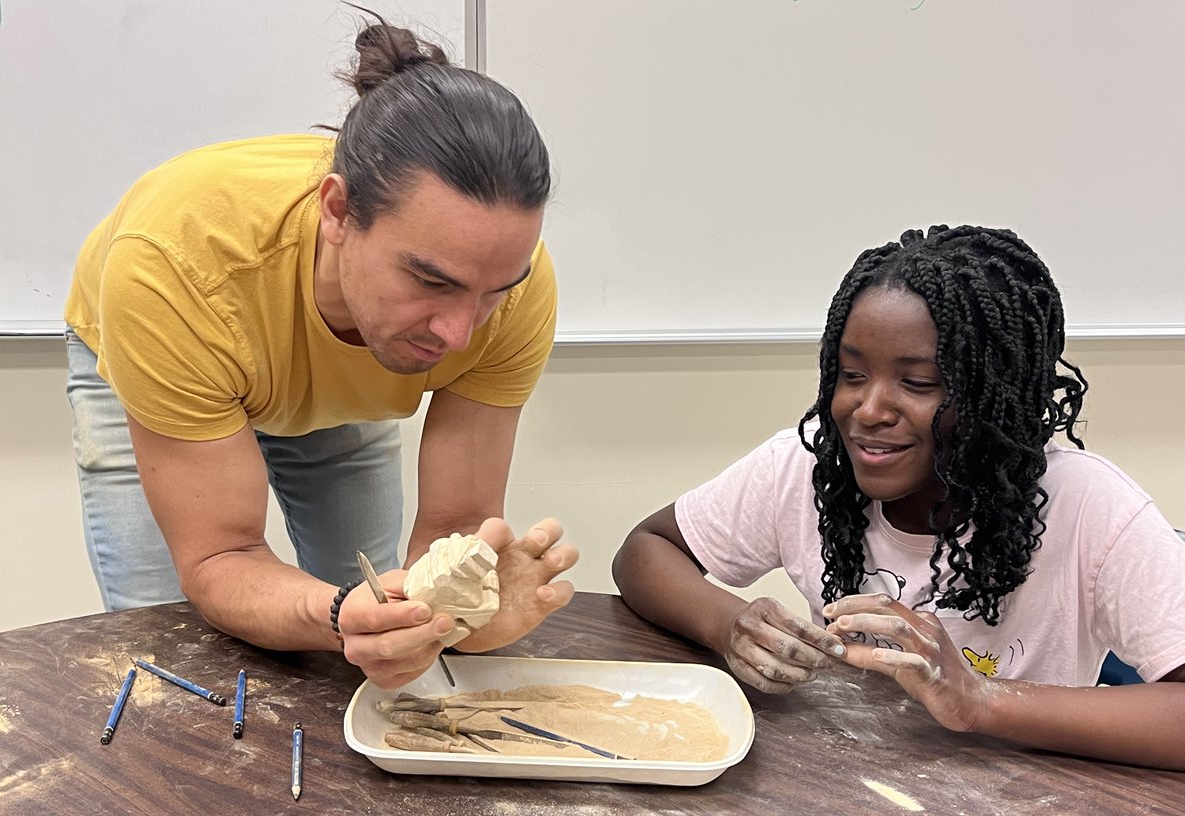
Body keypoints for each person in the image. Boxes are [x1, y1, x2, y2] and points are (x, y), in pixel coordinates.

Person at [64, 15, 576, 687]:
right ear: (337, 212)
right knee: (168, 651)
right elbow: (220, 555)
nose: (459, 335)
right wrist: (337, 615)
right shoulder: (170, 267)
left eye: (492, 293)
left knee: (371, 605)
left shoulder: (518, 288)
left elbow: (453, 530)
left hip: (334, 375)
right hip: (177, 335)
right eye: (431, 281)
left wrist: (461, 617)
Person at [613, 225, 1185, 770]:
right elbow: (645, 551)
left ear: (996, 394)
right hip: (849, 782)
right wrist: (730, 623)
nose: (868, 410)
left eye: (918, 383)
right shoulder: (806, 467)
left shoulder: (1090, 506)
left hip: (1029, 806)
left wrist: (980, 699)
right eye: (851, 374)